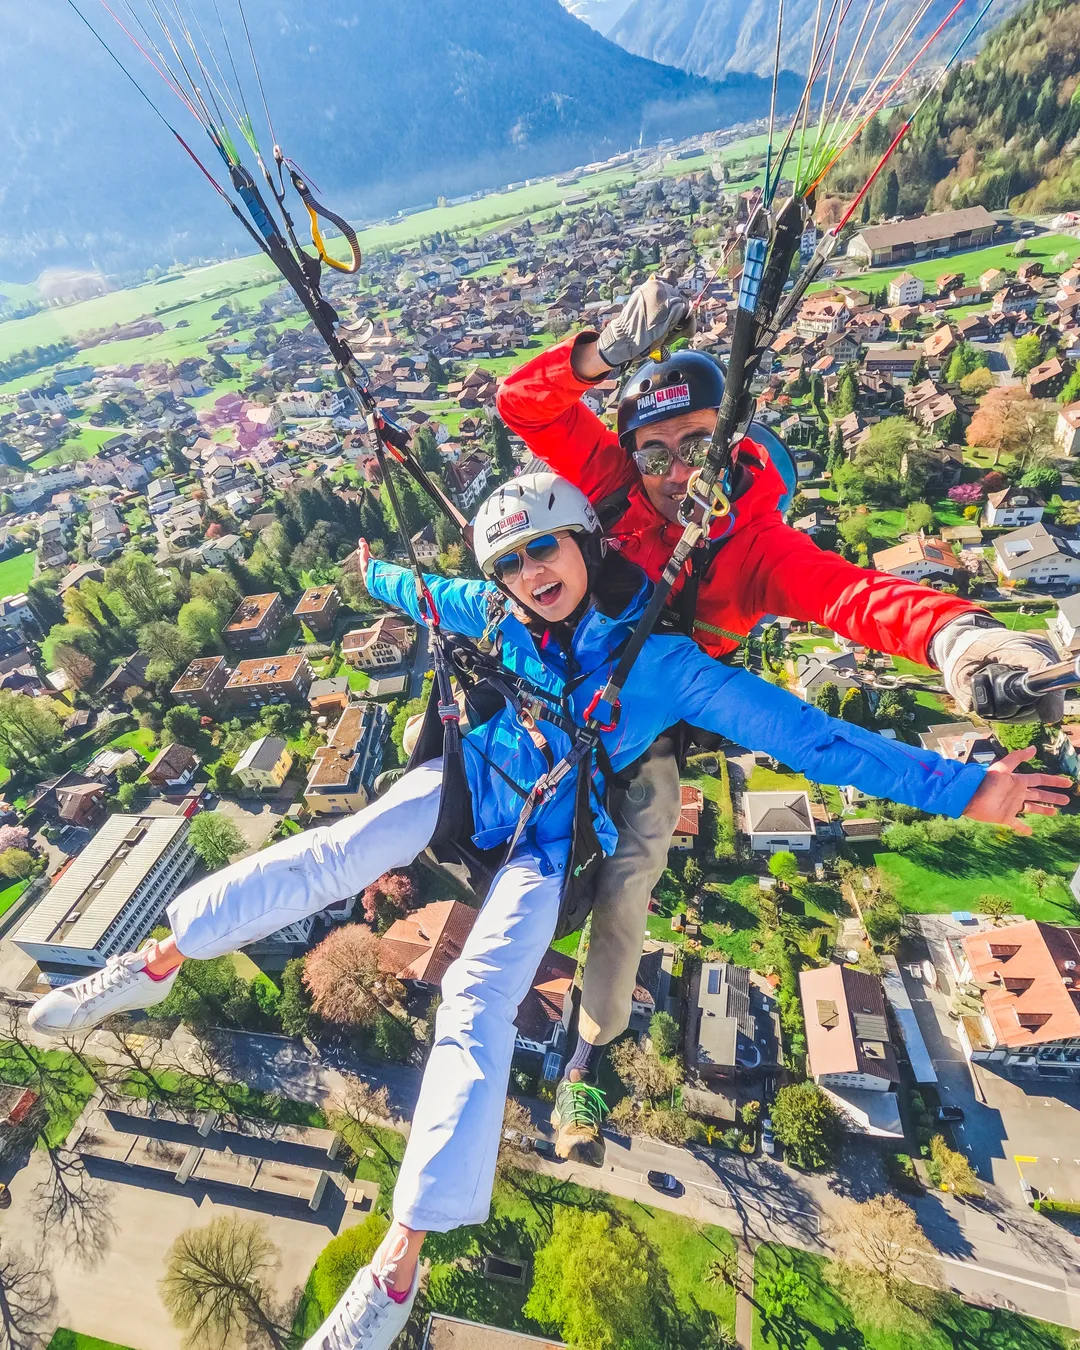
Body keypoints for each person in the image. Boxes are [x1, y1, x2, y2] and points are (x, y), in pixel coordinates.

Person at [27, 474, 1068, 1350]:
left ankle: (397, 1264)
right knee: (335, 851)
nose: (532, 576)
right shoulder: (488, 613)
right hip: (459, 792)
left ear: (584, 543)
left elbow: (808, 739)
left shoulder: (654, 663)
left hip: (543, 843)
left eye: (546, 552)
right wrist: (366, 574)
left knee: (479, 997)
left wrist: (963, 789)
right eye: (512, 564)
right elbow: (414, 587)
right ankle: (155, 961)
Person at [496, 277, 1063, 1162]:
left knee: (630, 880)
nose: (678, 474)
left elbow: (854, 598)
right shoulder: (615, 488)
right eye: (656, 455)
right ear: (629, 456)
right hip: (556, 695)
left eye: (697, 446)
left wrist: (958, 636)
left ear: (731, 440)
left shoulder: (756, 549)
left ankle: (586, 1053)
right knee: (478, 802)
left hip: (647, 725)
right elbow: (521, 404)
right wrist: (599, 355)